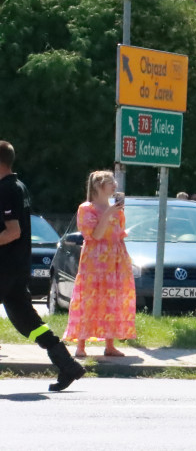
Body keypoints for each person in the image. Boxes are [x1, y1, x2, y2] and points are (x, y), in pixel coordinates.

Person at [0, 140, 85, 391]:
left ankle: (67, 364)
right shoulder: (18, 186)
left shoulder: (5, 189)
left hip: (5, 266)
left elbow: (12, 231)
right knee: (27, 322)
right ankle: (67, 365)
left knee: (24, 319)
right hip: (16, 266)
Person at [63, 170, 137, 357]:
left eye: (114, 182)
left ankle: (110, 345)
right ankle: (81, 345)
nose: (115, 186)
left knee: (113, 299)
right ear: (98, 186)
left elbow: (118, 234)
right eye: (110, 182)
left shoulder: (117, 209)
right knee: (89, 298)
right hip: (95, 260)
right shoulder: (86, 208)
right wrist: (109, 213)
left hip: (115, 258)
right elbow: (95, 235)